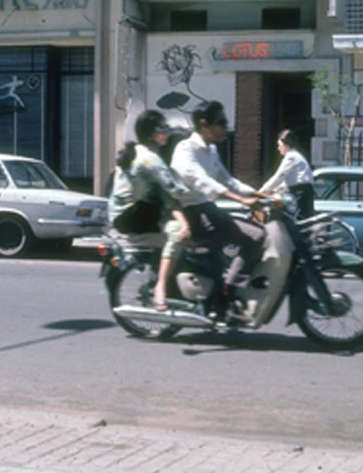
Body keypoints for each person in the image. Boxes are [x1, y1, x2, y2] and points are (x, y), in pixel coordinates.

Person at [170, 100, 268, 322]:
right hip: (192, 213)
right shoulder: (186, 149)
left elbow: (228, 180)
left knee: (258, 231)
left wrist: (263, 195)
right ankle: (228, 293)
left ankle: (226, 288)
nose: (226, 128)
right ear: (204, 124)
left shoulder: (211, 150)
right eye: (221, 123)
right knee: (256, 236)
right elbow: (201, 181)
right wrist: (241, 200)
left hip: (207, 209)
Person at [107, 109, 194, 311]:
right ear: (150, 134)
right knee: (177, 234)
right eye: (162, 129)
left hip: (127, 213)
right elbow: (175, 189)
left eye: (167, 128)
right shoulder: (149, 159)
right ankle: (161, 288)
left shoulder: (141, 152)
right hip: (131, 214)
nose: (167, 132)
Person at [259, 129, 315, 219]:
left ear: (286, 145)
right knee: (300, 221)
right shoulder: (295, 155)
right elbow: (286, 181)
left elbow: (278, 177)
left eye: (279, 145)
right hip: (302, 191)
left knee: (282, 213)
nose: (278, 148)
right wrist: (275, 190)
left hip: (300, 193)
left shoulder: (291, 157)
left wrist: (261, 192)